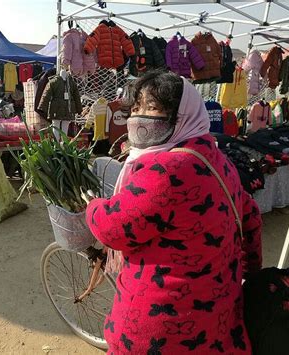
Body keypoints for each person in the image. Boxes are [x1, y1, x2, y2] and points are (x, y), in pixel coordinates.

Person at [85, 70, 263, 354]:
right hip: (217, 315)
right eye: (136, 108)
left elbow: (115, 228)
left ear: (181, 114)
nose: (140, 117)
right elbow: (250, 217)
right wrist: (249, 272)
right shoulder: (216, 157)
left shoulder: (165, 170)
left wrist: (93, 207)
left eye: (152, 108)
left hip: (165, 325)